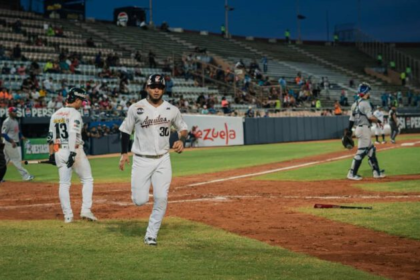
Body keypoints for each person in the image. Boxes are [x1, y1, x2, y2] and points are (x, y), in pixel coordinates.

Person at [119, 74, 188, 246]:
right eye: (153, 87)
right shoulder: (136, 108)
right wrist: (124, 153)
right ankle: (141, 197)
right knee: (140, 201)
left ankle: (151, 235)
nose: (156, 90)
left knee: (161, 198)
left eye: (159, 87)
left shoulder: (172, 109)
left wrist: (182, 140)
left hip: (163, 159)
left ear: (163, 89)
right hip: (141, 160)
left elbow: (183, 128)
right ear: (147, 88)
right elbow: (126, 131)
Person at [47, 88, 97, 223]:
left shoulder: (55, 114)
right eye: (81, 101)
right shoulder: (75, 114)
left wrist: (51, 155)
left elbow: (50, 138)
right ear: (76, 100)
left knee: (63, 183)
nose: (82, 104)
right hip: (74, 150)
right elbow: (73, 134)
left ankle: (68, 216)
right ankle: (86, 210)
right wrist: (72, 153)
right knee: (87, 179)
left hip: (59, 151)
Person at [347, 83, 385, 180]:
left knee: (371, 150)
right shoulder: (365, 103)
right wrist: (379, 120)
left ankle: (376, 172)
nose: (369, 93)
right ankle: (352, 173)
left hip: (358, 128)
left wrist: (348, 131)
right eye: (368, 91)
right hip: (364, 129)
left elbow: (351, 119)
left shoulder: (355, 104)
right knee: (361, 152)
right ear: (365, 92)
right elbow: (370, 117)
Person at [2, 107, 34, 181]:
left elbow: (17, 131)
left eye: (16, 112)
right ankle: (25, 176)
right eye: (14, 112)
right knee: (16, 160)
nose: (16, 113)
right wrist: (12, 141)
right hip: (9, 143)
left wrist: (21, 136)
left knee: (4, 162)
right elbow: (3, 133)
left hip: (10, 143)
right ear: (10, 112)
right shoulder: (7, 121)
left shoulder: (15, 120)